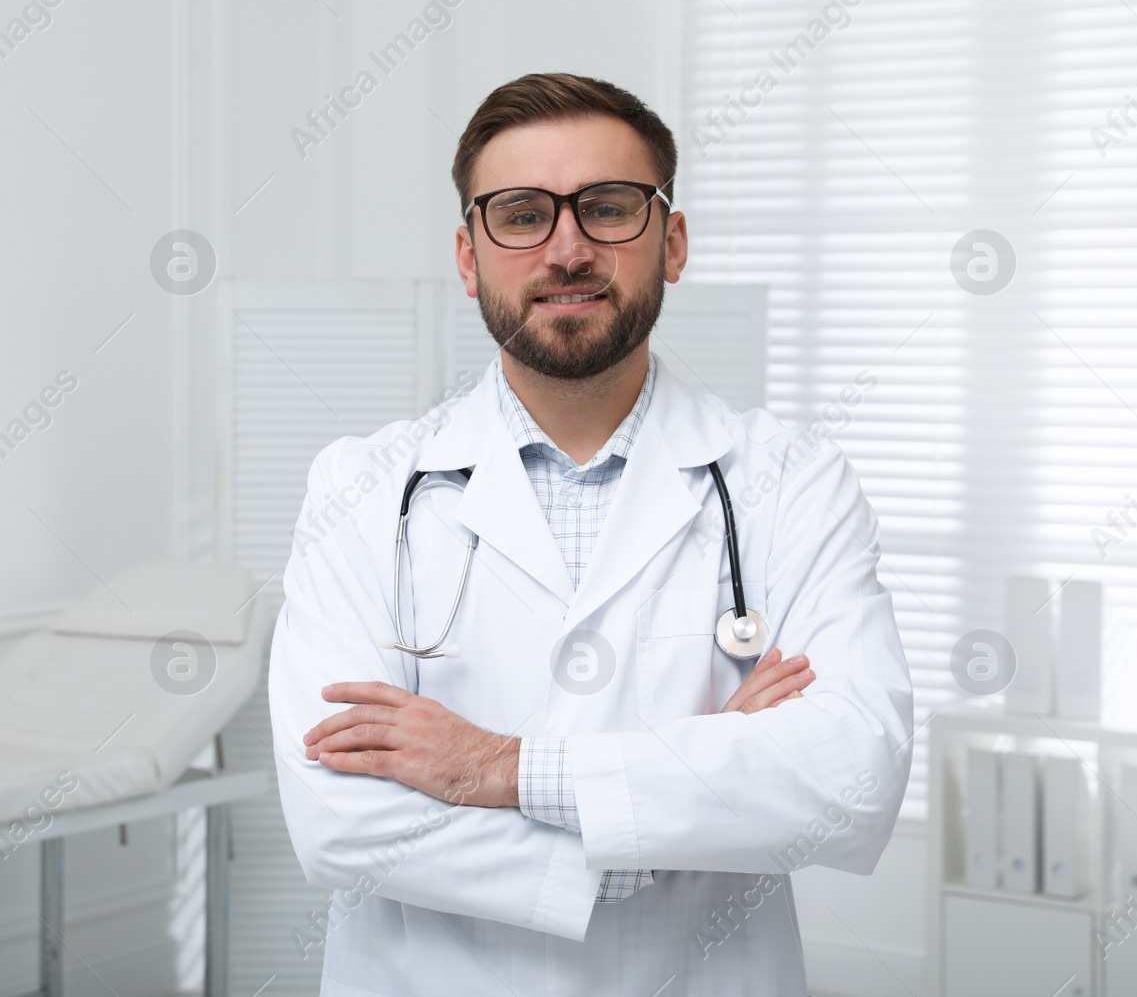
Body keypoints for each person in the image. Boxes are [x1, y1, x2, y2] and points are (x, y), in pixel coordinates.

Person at [267, 72, 914, 996]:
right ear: (467, 257)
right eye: (522, 214)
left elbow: (852, 780)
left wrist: (501, 767)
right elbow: (339, 822)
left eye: (609, 208)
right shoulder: (362, 489)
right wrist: (676, 811)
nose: (567, 249)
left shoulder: (790, 481)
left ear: (673, 241)